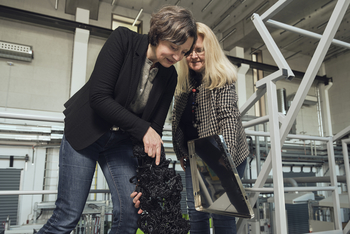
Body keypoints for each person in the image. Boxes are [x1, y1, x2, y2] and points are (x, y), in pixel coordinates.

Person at [37, 6, 197, 234]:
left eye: (183, 52)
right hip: (87, 130)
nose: (177, 57)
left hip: (122, 142)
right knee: (67, 217)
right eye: (173, 47)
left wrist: (146, 179)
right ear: (158, 34)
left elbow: (155, 130)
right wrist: (144, 129)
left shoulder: (170, 75)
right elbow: (99, 98)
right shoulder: (123, 39)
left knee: (130, 217)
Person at [171, 22, 249, 234]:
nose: (194, 56)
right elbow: (176, 120)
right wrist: (180, 152)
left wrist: (227, 157)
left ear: (210, 50)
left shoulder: (221, 79)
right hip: (195, 156)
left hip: (221, 153)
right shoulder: (183, 83)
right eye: (189, 52)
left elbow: (229, 117)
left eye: (199, 50)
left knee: (222, 215)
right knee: (196, 214)